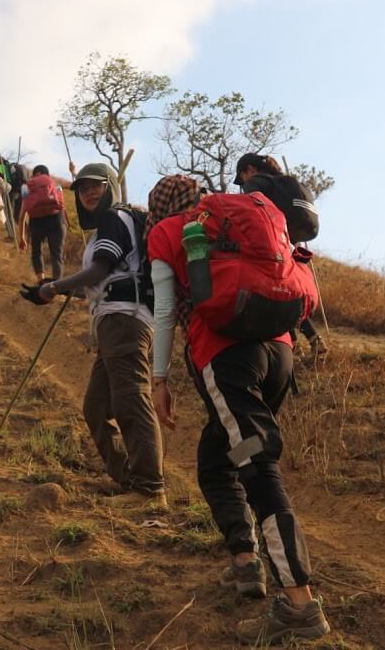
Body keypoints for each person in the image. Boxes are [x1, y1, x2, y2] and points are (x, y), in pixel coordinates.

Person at [144, 175, 330, 644]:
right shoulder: (230, 222)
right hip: (278, 358)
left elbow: (165, 312)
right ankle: (246, 563)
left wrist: (160, 377)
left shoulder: (168, 233)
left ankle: (299, 602)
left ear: (157, 206)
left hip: (228, 360)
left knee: (255, 464)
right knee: (215, 460)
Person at [26, 163, 165, 506]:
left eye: (96, 187)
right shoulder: (115, 224)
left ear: (111, 188)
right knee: (97, 406)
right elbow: (102, 281)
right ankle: (129, 480)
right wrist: (54, 290)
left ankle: (149, 490)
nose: (88, 193)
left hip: (125, 321)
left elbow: (100, 271)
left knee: (131, 398)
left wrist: (54, 286)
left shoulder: (114, 219)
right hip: (114, 322)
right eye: (83, 188)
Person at [233, 154, 327, 357]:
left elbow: (254, 213)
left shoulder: (257, 183)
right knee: (290, 288)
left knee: (280, 291)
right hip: (292, 239)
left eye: (242, 177)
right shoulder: (282, 183)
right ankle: (312, 339)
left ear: (249, 169)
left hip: (274, 241)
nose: (243, 183)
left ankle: (292, 342)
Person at [18, 164, 67, 281]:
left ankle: (41, 283)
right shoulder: (55, 184)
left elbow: (22, 217)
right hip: (57, 220)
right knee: (57, 255)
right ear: (47, 174)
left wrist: (22, 238)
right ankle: (57, 286)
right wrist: (66, 224)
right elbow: (62, 207)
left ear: (34, 175)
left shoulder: (27, 187)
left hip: (36, 222)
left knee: (36, 252)